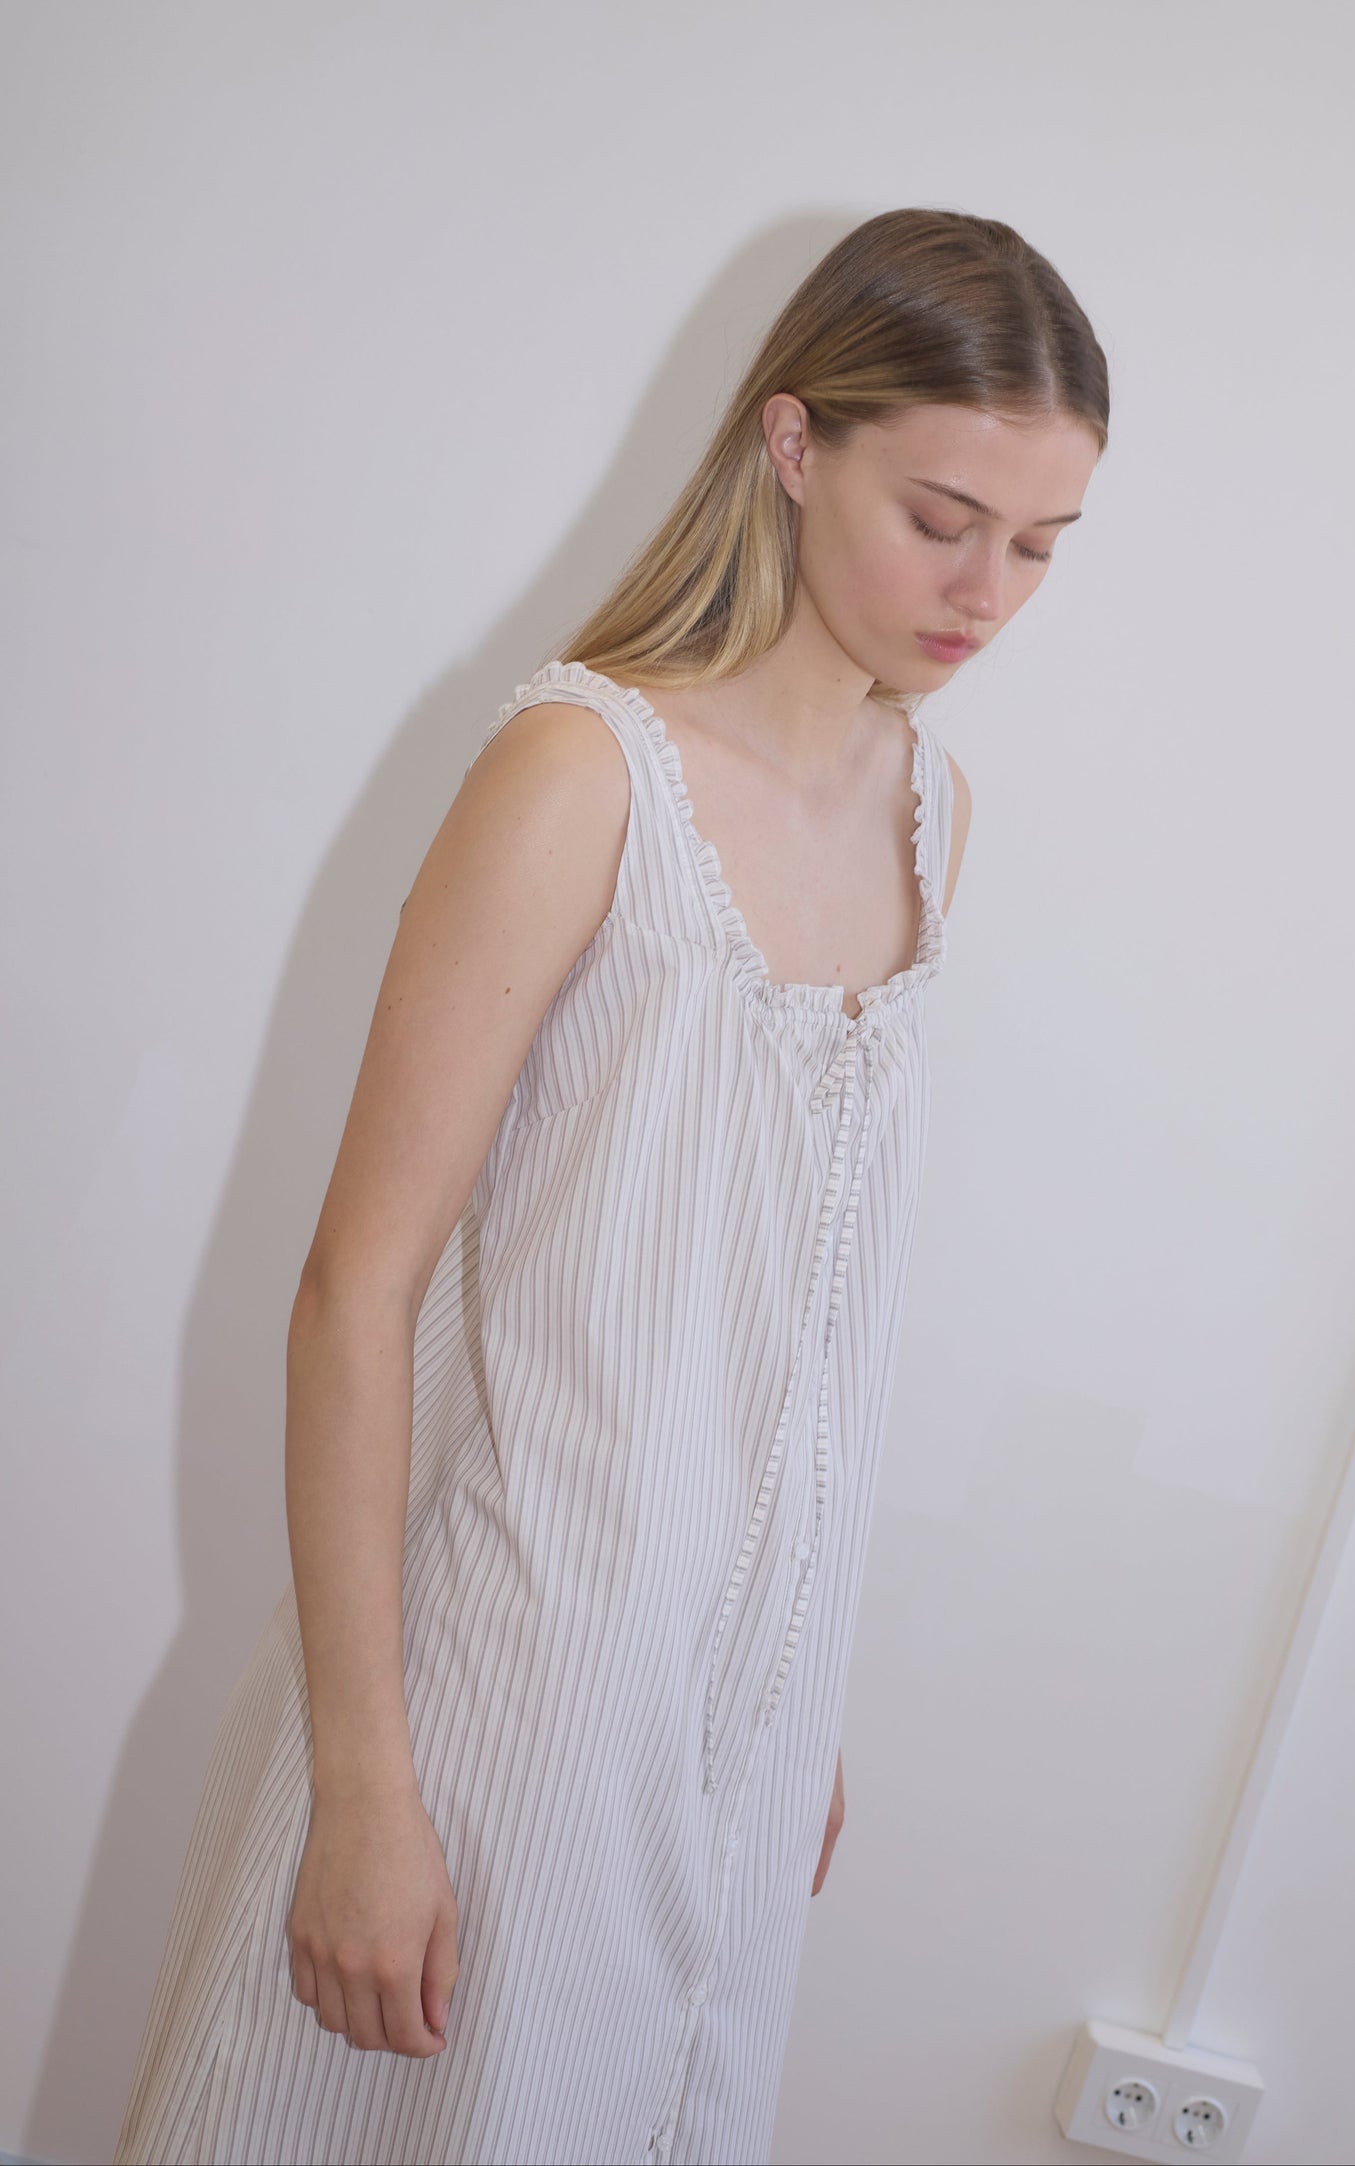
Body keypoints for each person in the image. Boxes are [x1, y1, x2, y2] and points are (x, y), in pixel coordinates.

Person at [113, 206, 1106, 2166]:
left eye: (1044, 545)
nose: (988, 588)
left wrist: (784, 1692)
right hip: (500, 1699)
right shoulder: (581, 775)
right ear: (798, 443)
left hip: (729, 1736)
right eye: (945, 517)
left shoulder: (937, 812)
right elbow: (355, 1294)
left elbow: (801, 1298)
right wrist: (366, 1792)